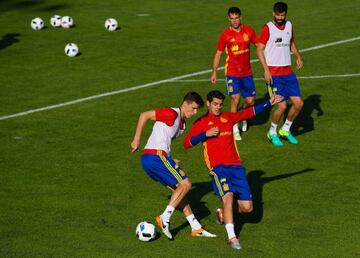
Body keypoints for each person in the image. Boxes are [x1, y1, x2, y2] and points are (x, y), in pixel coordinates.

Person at [183, 90, 282, 250]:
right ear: (208, 104)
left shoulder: (228, 117)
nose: (218, 107)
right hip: (218, 169)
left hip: (237, 168)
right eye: (215, 104)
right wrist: (204, 135)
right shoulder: (201, 123)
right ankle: (232, 237)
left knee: (247, 208)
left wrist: (268, 103)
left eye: (220, 104)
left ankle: (223, 212)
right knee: (228, 196)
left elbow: (248, 113)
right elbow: (186, 143)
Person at [131, 91, 216, 240]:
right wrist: (137, 139)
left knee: (179, 191)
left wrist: (169, 158)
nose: (194, 112)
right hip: (155, 157)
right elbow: (144, 115)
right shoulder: (172, 114)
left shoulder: (181, 125)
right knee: (186, 184)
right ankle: (164, 218)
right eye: (193, 108)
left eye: (197, 110)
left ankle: (196, 227)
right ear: (185, 104)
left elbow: (161, 138)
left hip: (153, 159)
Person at [256, 2, 304, 146]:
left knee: (299, 103)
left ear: (286, 14)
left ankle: (285, 129)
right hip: (274, 74)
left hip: (288, 73)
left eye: (282, 15)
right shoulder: (267, 28)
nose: (280, 17)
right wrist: (266, 69)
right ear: (273, 13)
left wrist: (298, 56)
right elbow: (259, 49)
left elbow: (292, 43)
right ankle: (272, 132)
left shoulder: (289, 25)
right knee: (282, 106)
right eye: (278, 15)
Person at [210, 6, 259, 141]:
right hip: (232, 73)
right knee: (235, 98)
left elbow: (259, 45)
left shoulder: (249, 31)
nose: (235, 21)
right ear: (229, 19)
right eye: (232, 19)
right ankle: (234, 127)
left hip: (247, 72)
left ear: (240, 17)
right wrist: (214, 71)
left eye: (236, 18)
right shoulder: (225, 35)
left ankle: (242, 116)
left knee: (250, 101)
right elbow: (218, 53)